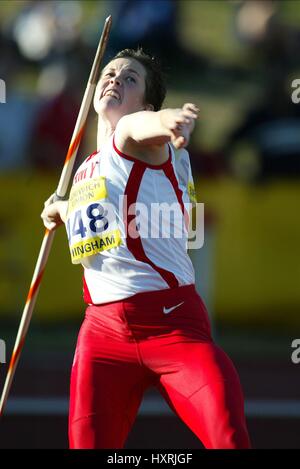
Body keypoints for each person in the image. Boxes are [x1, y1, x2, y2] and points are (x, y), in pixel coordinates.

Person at [41, 48, 251, 449]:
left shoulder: (136, 133)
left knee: (228, 438)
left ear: (147, 102)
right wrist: (61, 209)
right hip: (102, 336)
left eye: (130, 78)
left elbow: (147, 124)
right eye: (110, 72)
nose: (115, 79)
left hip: (173, 326)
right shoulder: (90, 165)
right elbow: (104, 218)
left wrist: (174, 120)